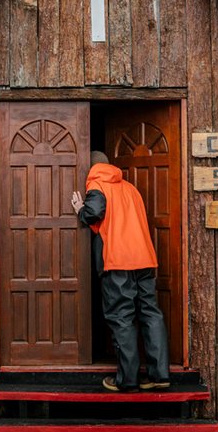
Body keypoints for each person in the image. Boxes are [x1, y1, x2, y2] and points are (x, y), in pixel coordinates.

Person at [71, 151, 170, 392]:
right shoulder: (130, 188)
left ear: (91, 168)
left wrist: (80, 210)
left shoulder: (97, 184)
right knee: (150, 313)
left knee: (121, 316)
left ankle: (127, 379)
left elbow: (95, 212)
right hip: (144, 259)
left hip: (118, 262)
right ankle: (160, 375)